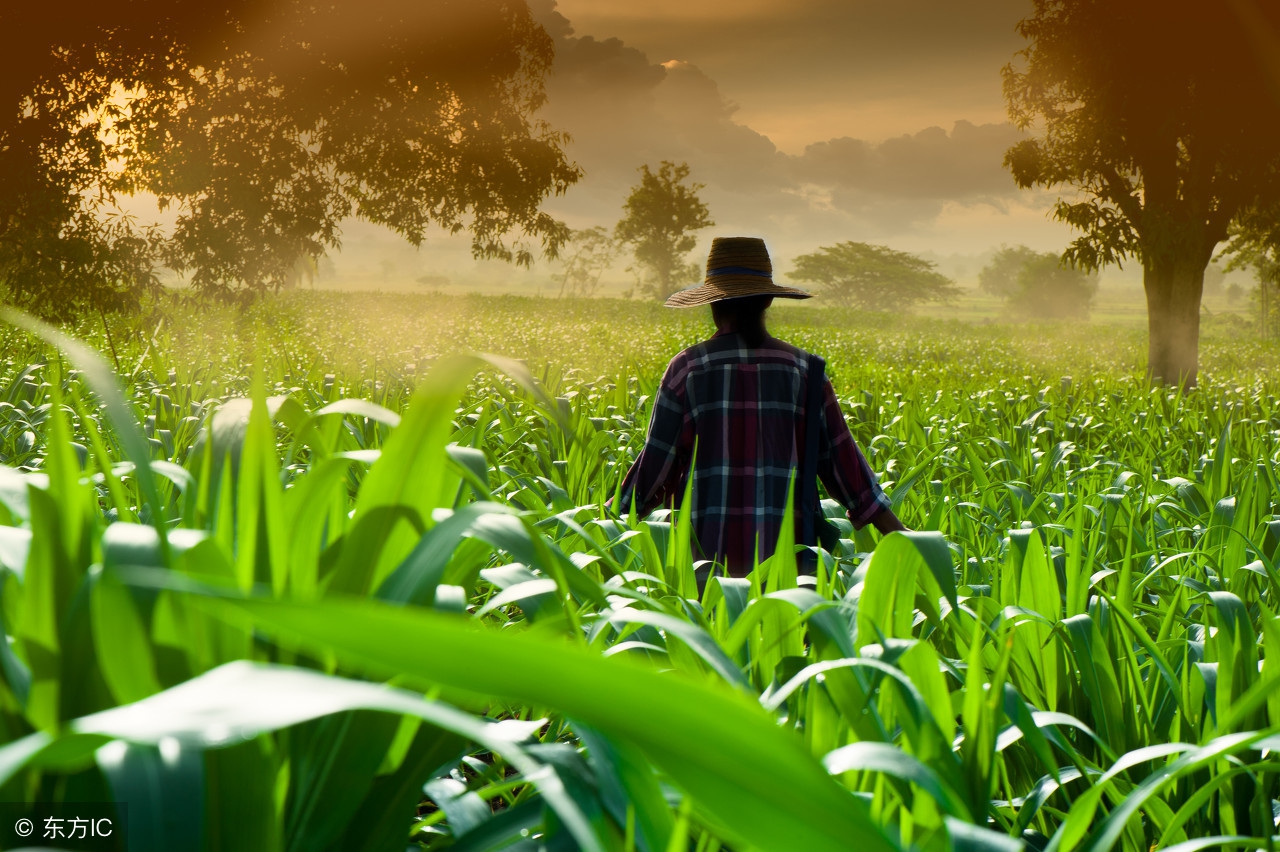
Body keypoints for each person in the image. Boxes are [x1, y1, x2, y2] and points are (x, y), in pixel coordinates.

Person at [616, 236, 906, 581]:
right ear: (768, 300)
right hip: (792, 576)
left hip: (704, 572)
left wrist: (607, 526)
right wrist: (906, 541)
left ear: (713, 304)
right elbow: (850, 476)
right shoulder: (806, 373)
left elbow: (652, 471)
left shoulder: (688, 370)